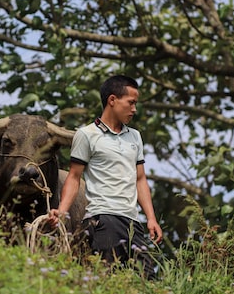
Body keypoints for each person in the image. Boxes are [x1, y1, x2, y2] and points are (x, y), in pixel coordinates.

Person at [48, 75, 163, 279]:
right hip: (103, 219)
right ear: (112, 100)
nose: (134, 109)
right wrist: (62, 212)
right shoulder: (86, 135)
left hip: (133, 222)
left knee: (149, 282)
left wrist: (151, 218)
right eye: (131, 103)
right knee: (108, 280)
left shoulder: (135, 136)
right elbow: (74, 177)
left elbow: (140, 179)